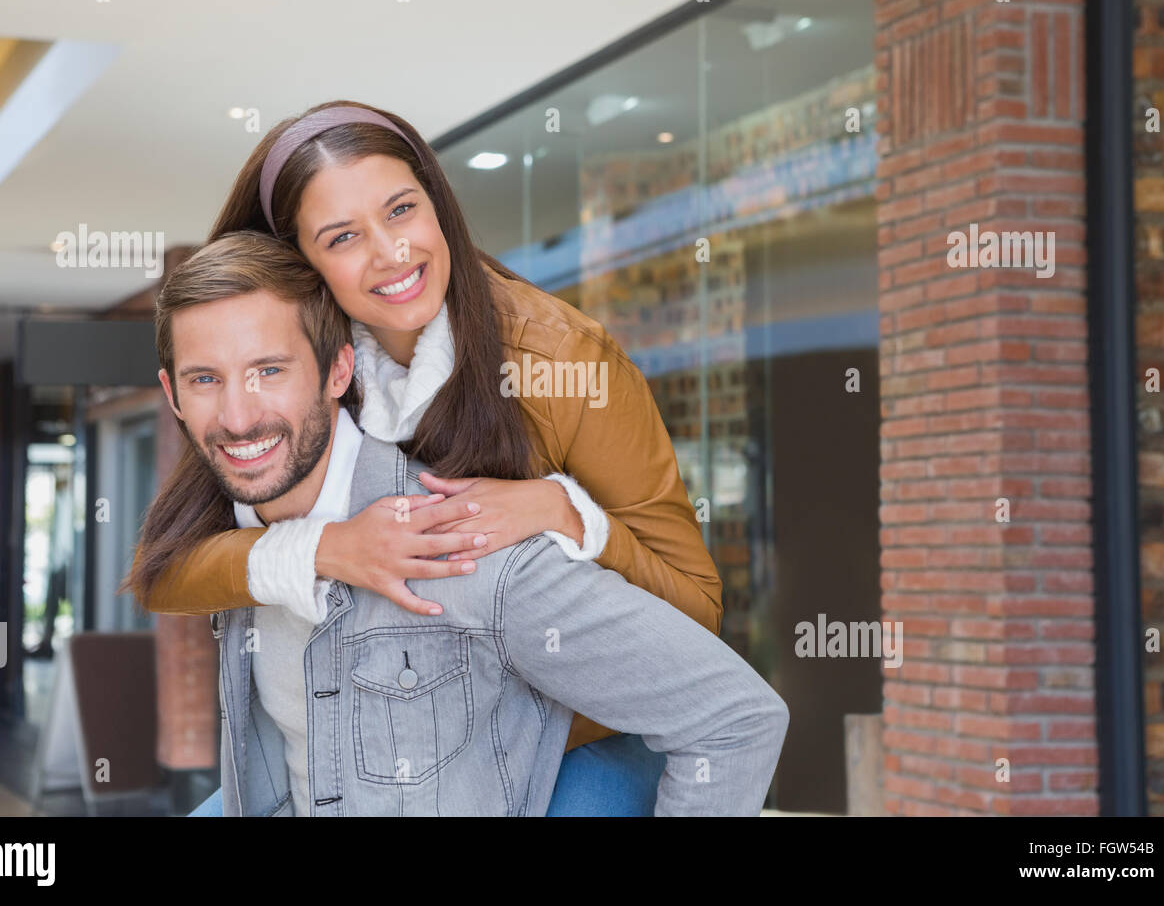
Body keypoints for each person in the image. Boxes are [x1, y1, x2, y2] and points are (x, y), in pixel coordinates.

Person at [129, 101, 724, 816]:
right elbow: (169, 573)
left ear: (437, 205)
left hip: (565, 738)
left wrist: (567, 513)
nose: (391, 253)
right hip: (364, 747)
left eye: (402, 210)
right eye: (343, 236)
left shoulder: (564, 363)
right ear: (300, 262)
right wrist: (324, 548)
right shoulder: (293, 364)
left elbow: (698, 619)